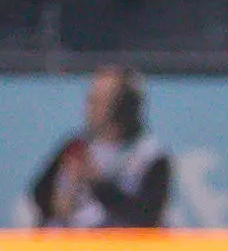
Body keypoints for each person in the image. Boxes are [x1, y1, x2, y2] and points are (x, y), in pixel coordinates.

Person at [28, 64, 172, 227]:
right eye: (90, 101)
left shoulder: (150, 157)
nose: (89, 109)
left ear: (121, 108)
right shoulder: (76, 147)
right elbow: (40, 197)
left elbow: (147, 217)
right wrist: (62, 200)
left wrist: (97, 184)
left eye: (97, 102)